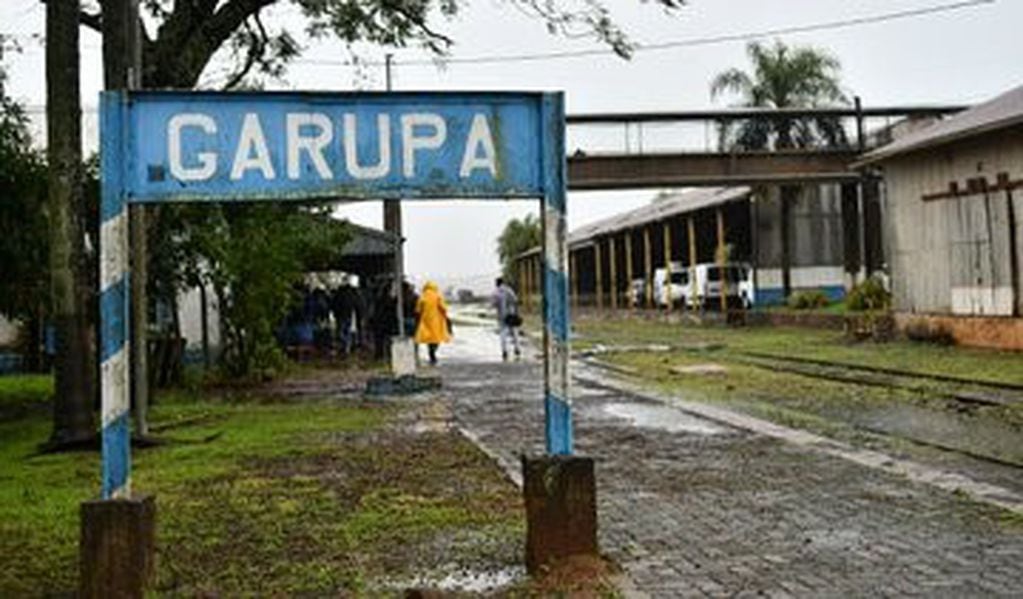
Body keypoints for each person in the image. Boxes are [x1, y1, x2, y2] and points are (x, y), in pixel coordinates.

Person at [414, 281, 450, 365]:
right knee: (436, 338)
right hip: (436, 320)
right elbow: (444, 308)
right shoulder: (438, 296)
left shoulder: (422, 296)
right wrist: (445, 317)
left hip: (425, 320)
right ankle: (433, 352)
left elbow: (418, 310)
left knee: (428, 337)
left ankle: (430, 351)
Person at [491, 277, 521, 361]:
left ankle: (504, 351)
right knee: (515, 333)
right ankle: (517, 349)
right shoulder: (509, 290)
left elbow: (493, 305)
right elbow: (515, 301)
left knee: (503, 335)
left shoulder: (495, 293)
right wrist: (516, 312)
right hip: (512, 315)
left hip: (502, 317)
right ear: (503, 282)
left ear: (496, 284)